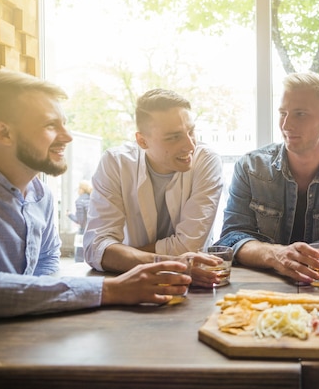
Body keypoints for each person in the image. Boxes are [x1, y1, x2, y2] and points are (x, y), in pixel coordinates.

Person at [0, 69, 196, 318]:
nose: (67, 136)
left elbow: (47, 264)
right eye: (51, 125)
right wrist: (113, 289)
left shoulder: (42, 196)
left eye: (65, 124)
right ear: (4, 133)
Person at [216, 71, 319, 283]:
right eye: (283, 113)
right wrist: (276, 255)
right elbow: (231, 238)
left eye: (300, 114)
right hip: (261, 290)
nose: (286, 125)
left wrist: (289, 256)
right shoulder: (250, 167)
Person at [83, 88, 225, 287]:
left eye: (191, 131)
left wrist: (125, 255)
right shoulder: (115, 163)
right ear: (142, 140)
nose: (190, 146)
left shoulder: (207, 161)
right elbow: (96, 248)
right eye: (174, 137)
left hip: (193, 285)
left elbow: (190, 246)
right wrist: (167, 261)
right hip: (130, 284)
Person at [68, 180, 92, 262]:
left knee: (79, 257)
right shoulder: (92, 199)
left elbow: (80, 221)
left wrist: (69, 215)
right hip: (92, 230)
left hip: (83, 231)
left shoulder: (79, 201)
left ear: (82, 189)